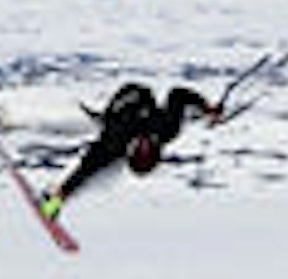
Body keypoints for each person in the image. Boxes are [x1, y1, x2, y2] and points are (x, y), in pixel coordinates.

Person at [41, 82, 221, 217]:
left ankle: (57, 196)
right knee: (119, 120)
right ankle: (102, 117)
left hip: (124, 115)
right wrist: (207, 107)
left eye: (142, 147)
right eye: (146, 146)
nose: (144, 143)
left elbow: (84, 171)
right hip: (132, 95)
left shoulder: (116, 144)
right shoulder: (166, 129)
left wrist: (57, 199)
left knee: (99, 159)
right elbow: (178, 94)